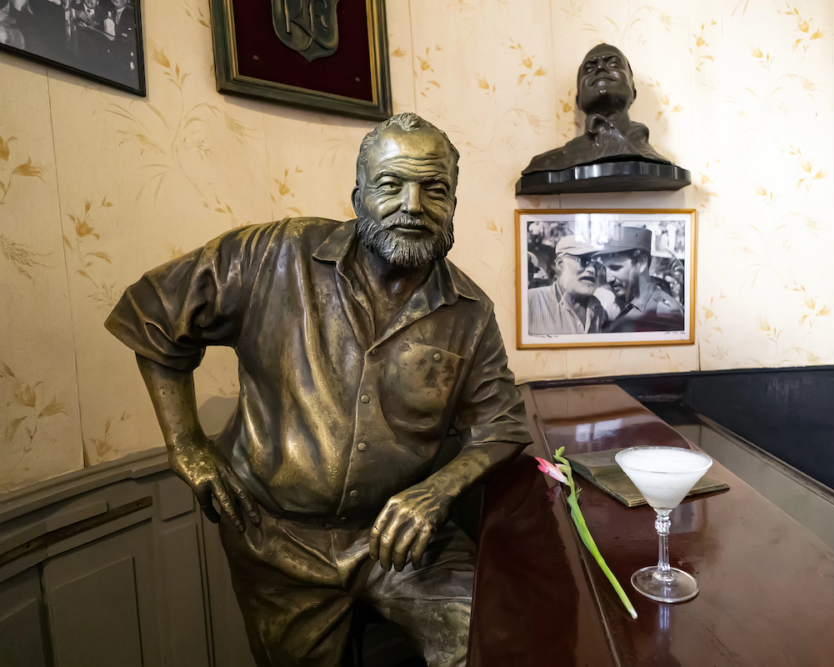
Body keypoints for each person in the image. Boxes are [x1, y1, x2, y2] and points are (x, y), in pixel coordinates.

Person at [105, 113, 531, 667]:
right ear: (357, 195)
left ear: (454, 203)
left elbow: (502, 425)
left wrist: (437, 492)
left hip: (402, 541)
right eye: (390, 185)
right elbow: (154, 314)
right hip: (277, 545)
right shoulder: (271, 255)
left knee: (491, 637)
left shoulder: (470, 314)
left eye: (434, 189)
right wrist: (184, 444)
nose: (412, 205)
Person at [521, 44, 674, 176]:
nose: (600, 68)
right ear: (578, 101)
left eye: (613, 64)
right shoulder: (548, 162)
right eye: (589, 68)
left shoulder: (654, 159)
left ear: (633, 92)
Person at [593, 226, 683, 333]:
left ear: (641, 263)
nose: (608, 279)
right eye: (605, 269)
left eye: (615, 268)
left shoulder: (662, 312)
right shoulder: (619, 304)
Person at [527, 235, 607, 335]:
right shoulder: (530, 301)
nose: (592, 269)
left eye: (596, 264)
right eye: (584, 261)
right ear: (560, 264)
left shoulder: (599, 309)